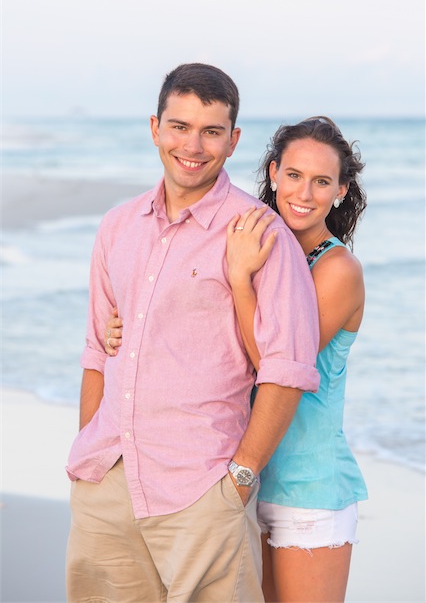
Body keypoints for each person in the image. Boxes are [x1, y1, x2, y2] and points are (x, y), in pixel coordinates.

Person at [66, 63, 320, 603]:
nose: (193, 145)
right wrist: (87, 451)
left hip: (201, 492)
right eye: (180, 126)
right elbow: (96, 348)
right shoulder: (117, 226)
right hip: (106, 485)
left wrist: (240, 480)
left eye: (211, 131)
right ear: (155, 127)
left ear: (234, 141)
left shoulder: (262, 234)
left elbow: (288, 370)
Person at [105, 116, 368, 602]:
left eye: (321, 181)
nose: (304, 192)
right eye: (293, 175)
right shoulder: (262, 245)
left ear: (340, 191)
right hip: (234, 477)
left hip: (305, 489)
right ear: (272, 173)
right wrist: (119, 330)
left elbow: (275, 364)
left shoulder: (337, 270)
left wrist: (241, 278)